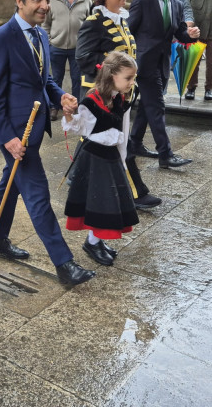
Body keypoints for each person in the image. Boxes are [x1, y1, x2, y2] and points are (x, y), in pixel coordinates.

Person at [0, 0, 95, 287]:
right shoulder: (1, 38)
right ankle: (64, 264)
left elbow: (44, 80)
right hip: (16, 134)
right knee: (38, 195)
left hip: (34, 127)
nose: (45, 5)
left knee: (10, 185)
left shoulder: (41, 35)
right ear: (19, 2)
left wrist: (62, 96)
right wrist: (7, 139)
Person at [75, 0, 161, 209]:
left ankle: (80, 179)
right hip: (103, 96)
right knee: (116, 144)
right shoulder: (95, 22)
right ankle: (135, 193)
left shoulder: (122, 20)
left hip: (120, 97)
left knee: (109, 143)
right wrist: (114, 73)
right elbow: (84, 58)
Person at [62, 51, 140, 266]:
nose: (131, 83)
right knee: (99, 202)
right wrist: (68, 112)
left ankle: (94, 241)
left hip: (110, 156)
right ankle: (92, 243)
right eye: (128, 78)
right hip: (95, 158)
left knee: (107, 202)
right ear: (111, 75)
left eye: (133, 78)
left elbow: (121, 126)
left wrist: (122, 156)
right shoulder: (92, 100)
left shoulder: (117, 96)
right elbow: (80, 127)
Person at [127, 0, 201, 169]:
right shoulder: (143, 1)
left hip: (162, 64)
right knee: (157, 107)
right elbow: (128, 32)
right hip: (143, 65)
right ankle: (165, 154)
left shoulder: (176, 5)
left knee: (146, 108)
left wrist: (191, 35)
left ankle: (135, 144)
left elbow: (179, 34)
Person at [42, 0, 92, 119]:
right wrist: (49, 40)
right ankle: (54, 107)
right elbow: (46, 22)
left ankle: (75, 108)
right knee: (56, 78)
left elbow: (90, 23)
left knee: (77, 79)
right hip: (57, 46)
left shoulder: (86, 0)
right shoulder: (54, 0)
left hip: (78, 48)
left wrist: (86, 43)